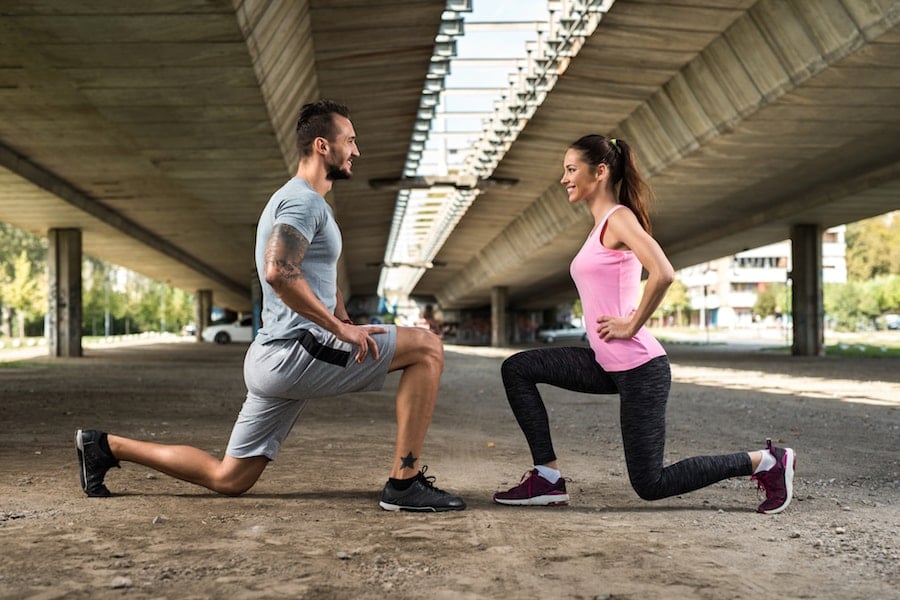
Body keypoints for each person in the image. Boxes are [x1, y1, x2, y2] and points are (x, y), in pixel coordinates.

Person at [76, 100, 465, 512]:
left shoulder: (308, 202)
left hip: (275, 355)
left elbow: (317, 275)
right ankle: (404, 485)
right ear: (322, 145)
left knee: (230, 477)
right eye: (349, 141)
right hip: (299, 349)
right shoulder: (303, 202)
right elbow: (280, 270)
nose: (356, 151)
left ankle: (103, 446)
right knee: (427, 347)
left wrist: (346, 318)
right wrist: (340, 331)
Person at [492, 134, 795, 514]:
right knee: (518, 369)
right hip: (606, 364)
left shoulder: (618, 219)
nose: (564, 179)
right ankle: (547, 479)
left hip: (640, 368)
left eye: (571, 169)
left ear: (599, 172)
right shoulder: (599, 224)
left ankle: (768, 462)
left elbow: (663, 272)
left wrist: (631, 325)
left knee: (651, 484)